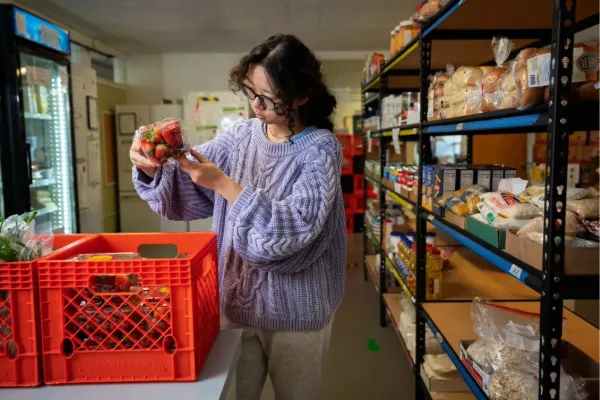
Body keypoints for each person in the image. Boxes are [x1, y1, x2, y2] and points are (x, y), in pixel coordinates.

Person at [130, 34, 346, 400]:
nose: (256, 106)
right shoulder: (241, 137)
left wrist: (226, 186)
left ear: (301, 96)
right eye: (250, 92)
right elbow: (189, 192)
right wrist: (154, 164)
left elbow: (292, 230)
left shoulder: (321, 150)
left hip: (298, 315)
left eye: (268, 98)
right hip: (236, 306)